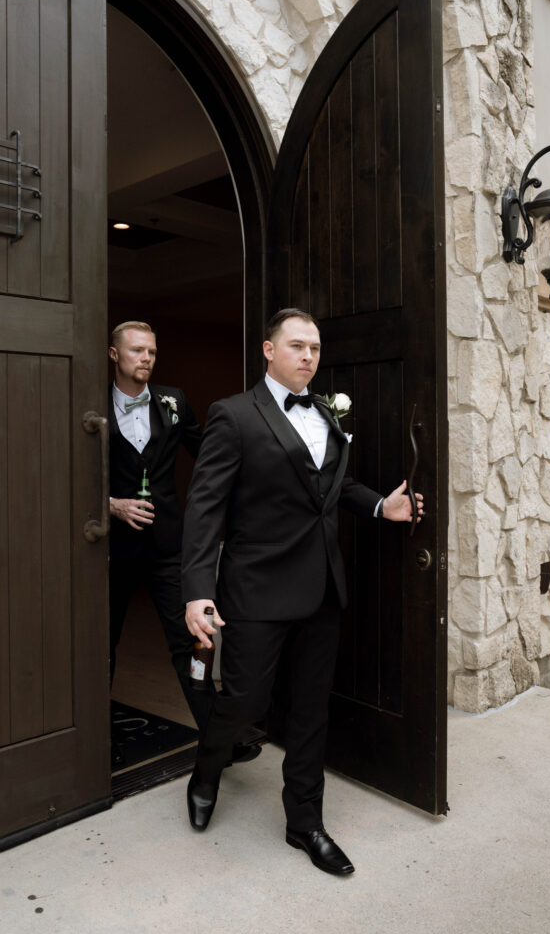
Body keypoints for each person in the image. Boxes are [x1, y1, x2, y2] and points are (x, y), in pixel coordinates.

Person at [181, 308, 423, 876]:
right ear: (269, 351)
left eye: (314, 347)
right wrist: (196, 590)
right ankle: (208, 768)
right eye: (296, 346)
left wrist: (379, 505)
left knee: (312, 712)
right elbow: (203, 507)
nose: (309, 356)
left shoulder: (327, 415)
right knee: (245, 702)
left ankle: (305, 824)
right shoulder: (233, 416)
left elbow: (332, 489)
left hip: (320, 588)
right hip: (256, 588)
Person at [108, 321, 262, 768]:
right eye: (137, 351)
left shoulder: (173, 401)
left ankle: (219, 739)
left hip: (167, 546)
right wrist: (111, 504)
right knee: (104, 643)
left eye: (152, 352)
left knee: (192, 643)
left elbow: (210, 454)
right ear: (114, 355)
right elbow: (66, 468)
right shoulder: (89, 404)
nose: (147, 359)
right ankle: (94, 742)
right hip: (110, 550)